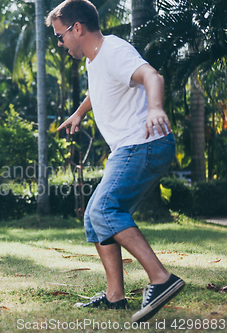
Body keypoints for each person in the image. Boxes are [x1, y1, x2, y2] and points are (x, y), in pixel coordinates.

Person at [46, 0, 184, 323]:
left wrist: (155, 108)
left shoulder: (114, 50)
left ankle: (161, 279)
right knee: (94, 219)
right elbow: (100, 90)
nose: (60, 43)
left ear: (77, 28)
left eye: (60, 36)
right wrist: (79, 114)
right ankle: (114, 297)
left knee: (103, 209)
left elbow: (152, 75)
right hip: (130, 148)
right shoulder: (95, 61)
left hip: (145, 143)